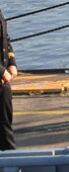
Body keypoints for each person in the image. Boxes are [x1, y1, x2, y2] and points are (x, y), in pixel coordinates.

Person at [0, 9, 18, 150]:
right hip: (1, 76)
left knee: (5, 124)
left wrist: (12, 63)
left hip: (3, 83)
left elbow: (6, 38)